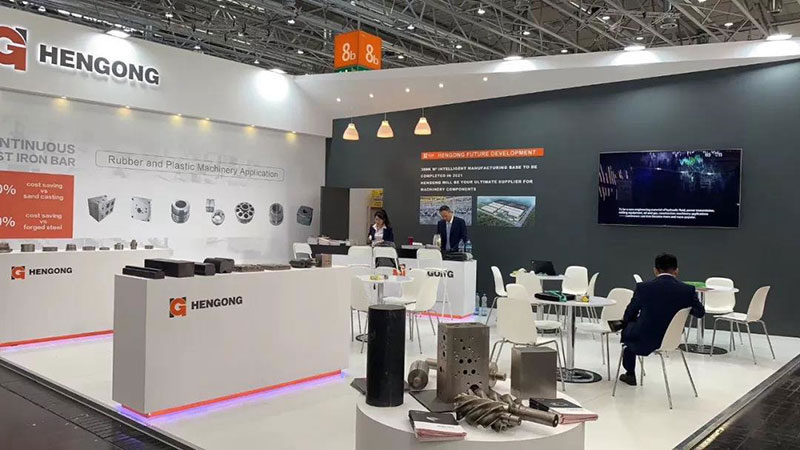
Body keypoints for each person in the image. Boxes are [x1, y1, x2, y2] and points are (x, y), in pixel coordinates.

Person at [618, 253, 704, 386]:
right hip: (672, 339)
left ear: (655, 270)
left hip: (645, 339)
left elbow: (630, 313)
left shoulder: (644, 288)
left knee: (628, 330)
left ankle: (630, 373)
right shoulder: (687, 290)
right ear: (676, 271)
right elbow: (700, 313)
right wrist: (684, 309)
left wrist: (629, 323)